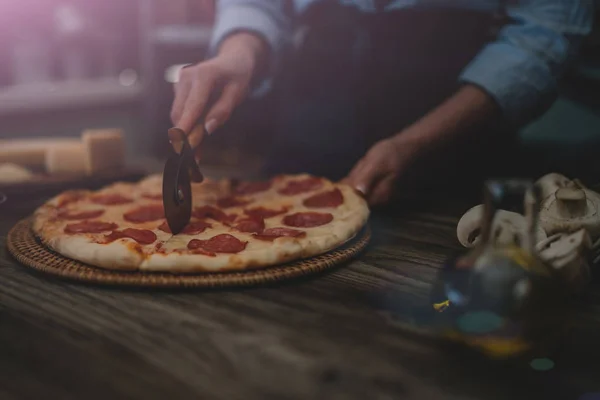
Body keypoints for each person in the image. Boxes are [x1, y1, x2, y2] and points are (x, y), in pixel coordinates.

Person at [170, 0, 594, 206]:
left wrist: (413, 144)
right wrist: (237, 55)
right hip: (307, 141)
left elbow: (544, 34)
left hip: (452, 159)